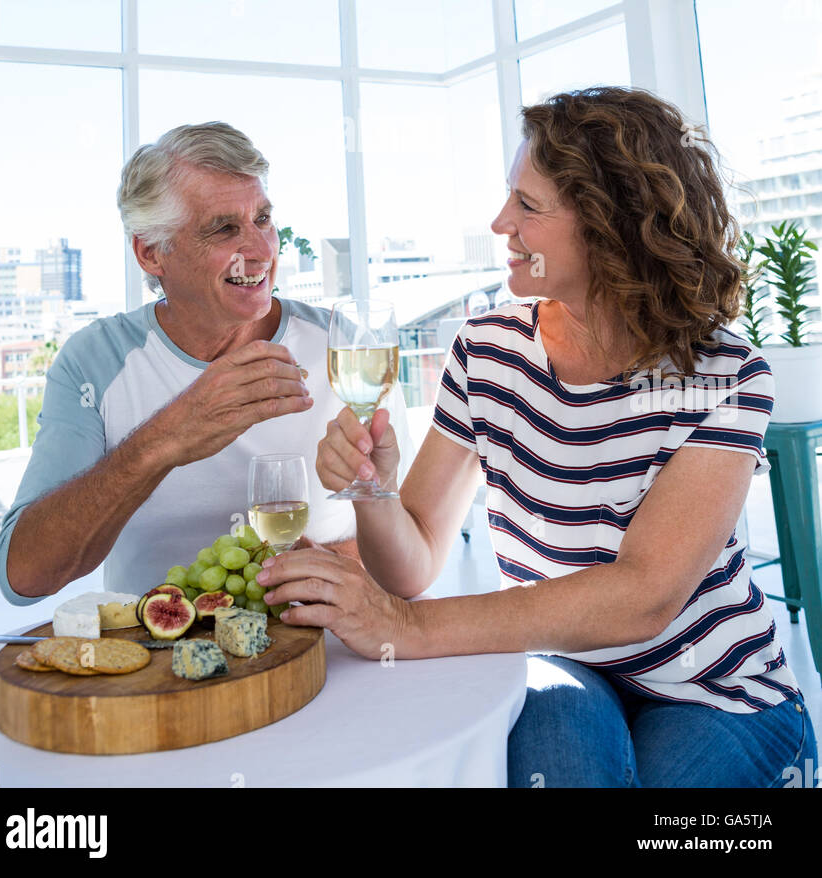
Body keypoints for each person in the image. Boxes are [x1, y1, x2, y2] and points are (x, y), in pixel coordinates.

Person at [257, 86, 819, 789]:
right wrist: (373, 491)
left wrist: (408, 628)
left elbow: (644, 595)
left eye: (527, 205)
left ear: (609, 224)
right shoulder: (488, 349)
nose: (500, 222)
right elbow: (413, 562)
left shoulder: (722, 373)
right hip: (564, 657)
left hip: (720, 691)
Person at [0, 121, 411, 603]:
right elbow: (23, 577)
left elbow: (413, 546)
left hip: (323, 653)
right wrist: (166, 439)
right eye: (224, 228)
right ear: (151, 253)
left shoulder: (346, 350)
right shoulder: (95, 360)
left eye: (263, 219)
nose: (260, 251)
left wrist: (335, 563)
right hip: (154, 666)